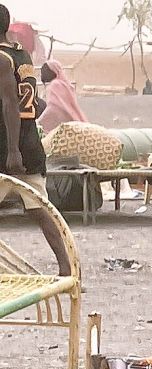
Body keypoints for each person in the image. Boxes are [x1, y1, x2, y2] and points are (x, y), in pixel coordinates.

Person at [0, 4, 71, 277]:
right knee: (40, 210)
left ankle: (66, 268)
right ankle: (66, 268)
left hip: (9, 145)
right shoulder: (22, 54)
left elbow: (10, 104)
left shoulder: (2, 59)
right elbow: (33, 101)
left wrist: (13, 150)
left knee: (40, 209)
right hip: (30, 142)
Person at [37, 59, 87, 133]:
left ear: (53, 71)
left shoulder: (54, 85)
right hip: (75, 122)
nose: (42, 74)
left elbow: (54, 109)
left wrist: (39, 122)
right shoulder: (64, 84)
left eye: (45, 71)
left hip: (67, 128)